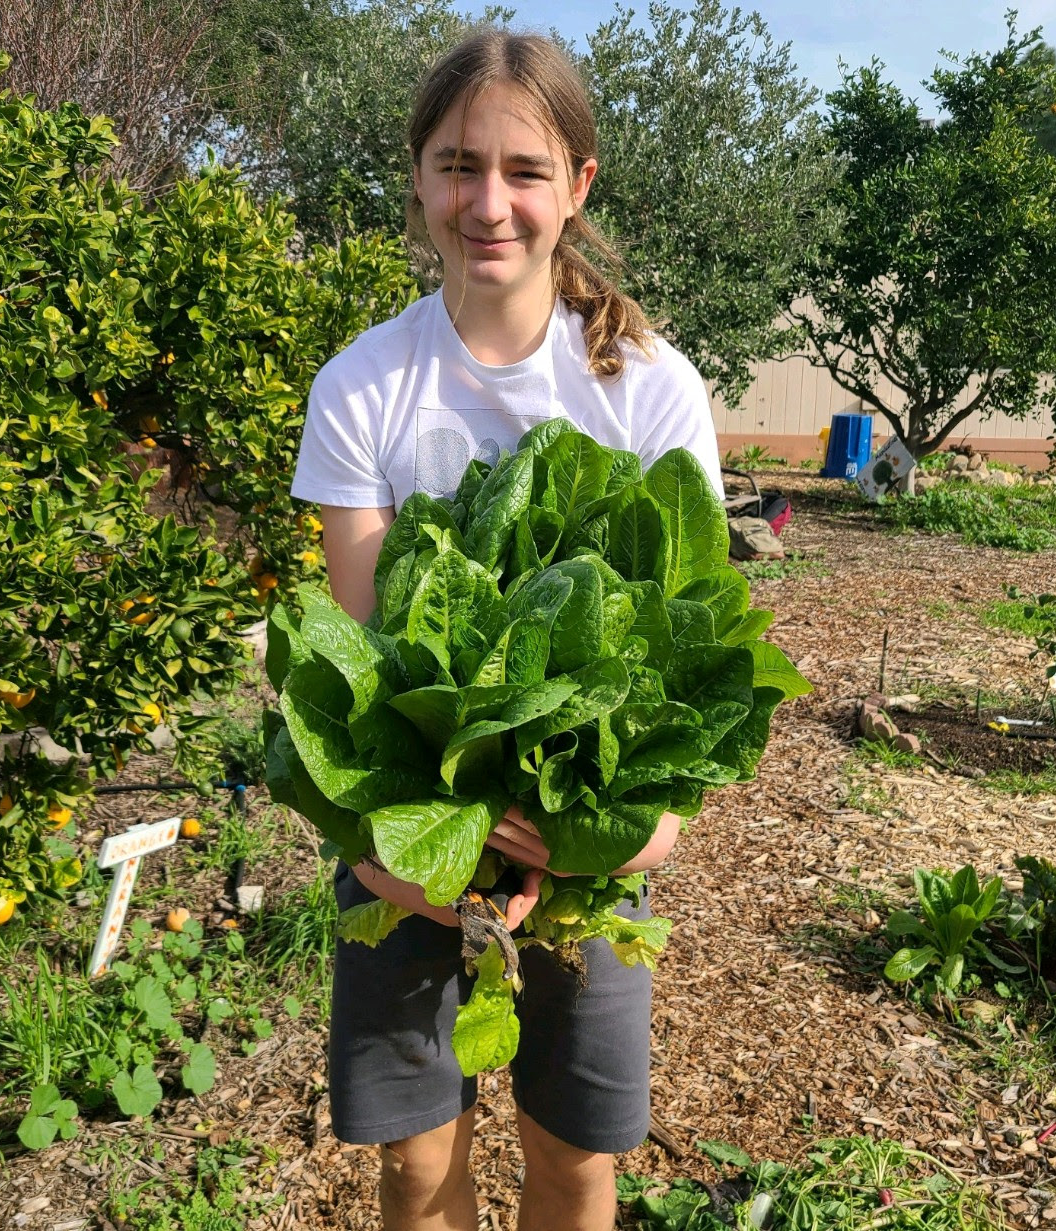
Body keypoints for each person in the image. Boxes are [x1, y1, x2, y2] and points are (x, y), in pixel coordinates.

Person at [289, 28, 725, 1231]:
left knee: (572, 1162)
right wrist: (393, 860)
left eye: (524, 170)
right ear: (418, 175)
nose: (488, 204)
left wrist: (633, 831)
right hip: (409, 839)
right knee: (415, 1164)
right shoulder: (363, 386)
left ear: (577, 184)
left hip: (584, 839)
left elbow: (685, 651)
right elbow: (362, 666)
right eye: (457, 165)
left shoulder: (649, 387)